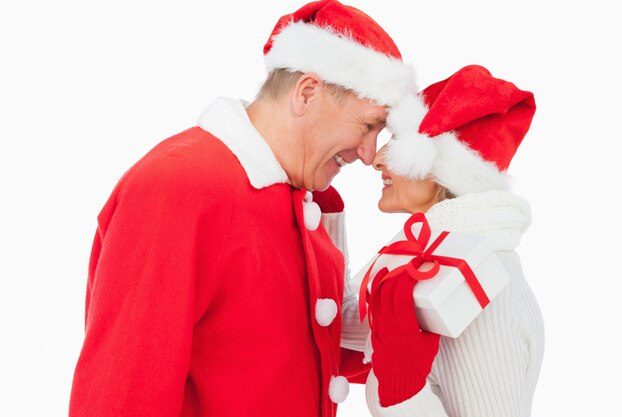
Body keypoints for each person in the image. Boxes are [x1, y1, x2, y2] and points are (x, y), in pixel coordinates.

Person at [68, 1, 424, 416]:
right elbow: (122, 396)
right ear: (307, 93)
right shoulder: (178, 187)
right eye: (368, 126)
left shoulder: (297, 195)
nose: (368, 154)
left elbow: (290, 355)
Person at [357, 65, 545, 417]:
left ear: (441, 169)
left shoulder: (482, 292)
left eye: (398, 143)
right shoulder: (438, 265)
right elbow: (347, 331)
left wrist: (403, 393)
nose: (377, 159)